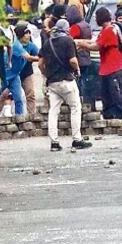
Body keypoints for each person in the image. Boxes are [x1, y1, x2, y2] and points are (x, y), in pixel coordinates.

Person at [39, 19, 91, 151]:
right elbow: (73, 60)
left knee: (53, 111)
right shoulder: (68, 41)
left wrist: (46, 74)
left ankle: (54, 142)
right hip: (66, 80)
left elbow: (40, 64)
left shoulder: (47, 42)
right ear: (66, 29)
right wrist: (78, 70)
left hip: (52, 82)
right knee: (75, 107)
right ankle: (77, 139)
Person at [77, 8, 122, 119]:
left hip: (113, 67)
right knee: (106, 95)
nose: (95, 19)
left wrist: (82, 44)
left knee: (116, 94)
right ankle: (109, 116)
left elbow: (96, 46)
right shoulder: (105, 30)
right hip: (106, 68)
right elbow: (96, 41)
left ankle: (121, 116)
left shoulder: (109, 30)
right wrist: (82, 43)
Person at [0, 24, 39, 116]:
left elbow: (40, 53)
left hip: (16, 75)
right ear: (21, 35)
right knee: (1, 95)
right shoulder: (16, 45)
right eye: (26, 33)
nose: (28, 35)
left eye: (29, 33)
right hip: (6, 74)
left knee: (20, 98)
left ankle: (21, 118)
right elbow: (29, 58)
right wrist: (41, 59)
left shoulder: (31, 45)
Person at [66, 6, 96, 107]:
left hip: (78, 57)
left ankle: (80, 104)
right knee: (87, 82)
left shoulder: (75, 27)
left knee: (79, 83)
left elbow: (70, 40)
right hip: (87, 56)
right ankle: (90, 104)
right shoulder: (87, 25)